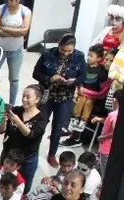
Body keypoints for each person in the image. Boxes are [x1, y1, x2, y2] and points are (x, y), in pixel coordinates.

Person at [34, 34, 86, 168]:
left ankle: (52, 154)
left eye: (69, 51)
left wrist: (75, 81)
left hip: (65, 97)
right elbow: (36, 73)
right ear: (59, 46)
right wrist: (49, 79)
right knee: (40, 123)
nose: (66, 53)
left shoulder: (79, 57)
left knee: (58, 128)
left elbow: (83, 75)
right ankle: (33, 150)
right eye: (63, 50)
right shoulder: (47, 54)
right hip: (47, 95)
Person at [59, 43, 111, 147]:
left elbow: (100, 94)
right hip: (84, 93)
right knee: (80, 101)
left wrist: (83, 90)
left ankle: (80, 124)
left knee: (87, 102)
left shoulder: (103, 72)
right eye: (88, 55)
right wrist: (80, 86)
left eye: (91, 55)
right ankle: (73, 123)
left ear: (99, 58)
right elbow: (80, 77)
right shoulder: (85, 66)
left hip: (94, 98)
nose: (88, 58)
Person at [0, 84, 45, 193]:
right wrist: (3, 119)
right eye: (23, 96)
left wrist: (18, 122)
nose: (24, 99)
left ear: (37, 99)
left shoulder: (41, 119)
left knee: (22, 188)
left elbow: (31, 135)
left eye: (28, 97)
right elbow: (1, 130)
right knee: (2, 184)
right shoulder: (16, 110)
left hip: (27, 159)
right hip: (8, 155)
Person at [0, 0, 30, 105]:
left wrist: (3, 28)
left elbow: (24, 31)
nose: (10, 1)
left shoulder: (25, 11)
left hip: (16, 50)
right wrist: (16, 32)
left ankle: (12, 104)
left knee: (14, 79)